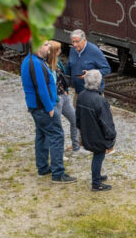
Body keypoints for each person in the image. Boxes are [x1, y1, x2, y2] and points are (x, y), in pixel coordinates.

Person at [20, 42, 74, 183]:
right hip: (43, 108)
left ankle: (43, 168)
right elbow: (41, 88)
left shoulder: (31, 60)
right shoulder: (36, 63)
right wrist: (50, 108)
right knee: (57, 136)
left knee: (42, 135)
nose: (48, 47)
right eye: (45, 45)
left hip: (37, 107)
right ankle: (58, 174)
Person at [76, 69, 116, 192]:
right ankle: (96, 183)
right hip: (98, 135)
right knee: (98, 156)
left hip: (87, 132)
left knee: (97, 156)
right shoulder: (99, 100)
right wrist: (111, 136)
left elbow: (77, 116)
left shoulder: (81, 95)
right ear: (98, 82)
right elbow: (106, 122)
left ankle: (97, 176)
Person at [46, 40, 80, 153]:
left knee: (75, 120)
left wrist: (65, 90)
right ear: (54, 51)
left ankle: (76, 147)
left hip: (63, 96)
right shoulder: (46, 66)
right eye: (59, 49)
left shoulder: (58, 61)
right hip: (56, 99)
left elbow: (63, 77)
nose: (61, 51)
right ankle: (57, 152)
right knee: (57, 126)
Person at [68, 29, 111, 96]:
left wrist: (89, 74)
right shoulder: (73, 50)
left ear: (84, 40)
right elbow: (69, 66)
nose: (74, 45)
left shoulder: (94, 51)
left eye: (77, 42)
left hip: (94, 95)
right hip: (78, 92)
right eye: (73, 42)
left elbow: (106, 69)